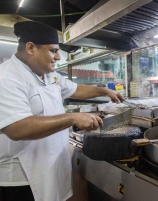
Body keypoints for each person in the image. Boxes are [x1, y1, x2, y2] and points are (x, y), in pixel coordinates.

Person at [0, 21, 124, 201]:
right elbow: (17, 128)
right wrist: (72, 118)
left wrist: (105, 91)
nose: (58, 57)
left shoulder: (49, 74)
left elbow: (76, 89)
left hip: (49, 166)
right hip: (21, 179)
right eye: (53, 50)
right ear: (30, 48)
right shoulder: (7, 78)